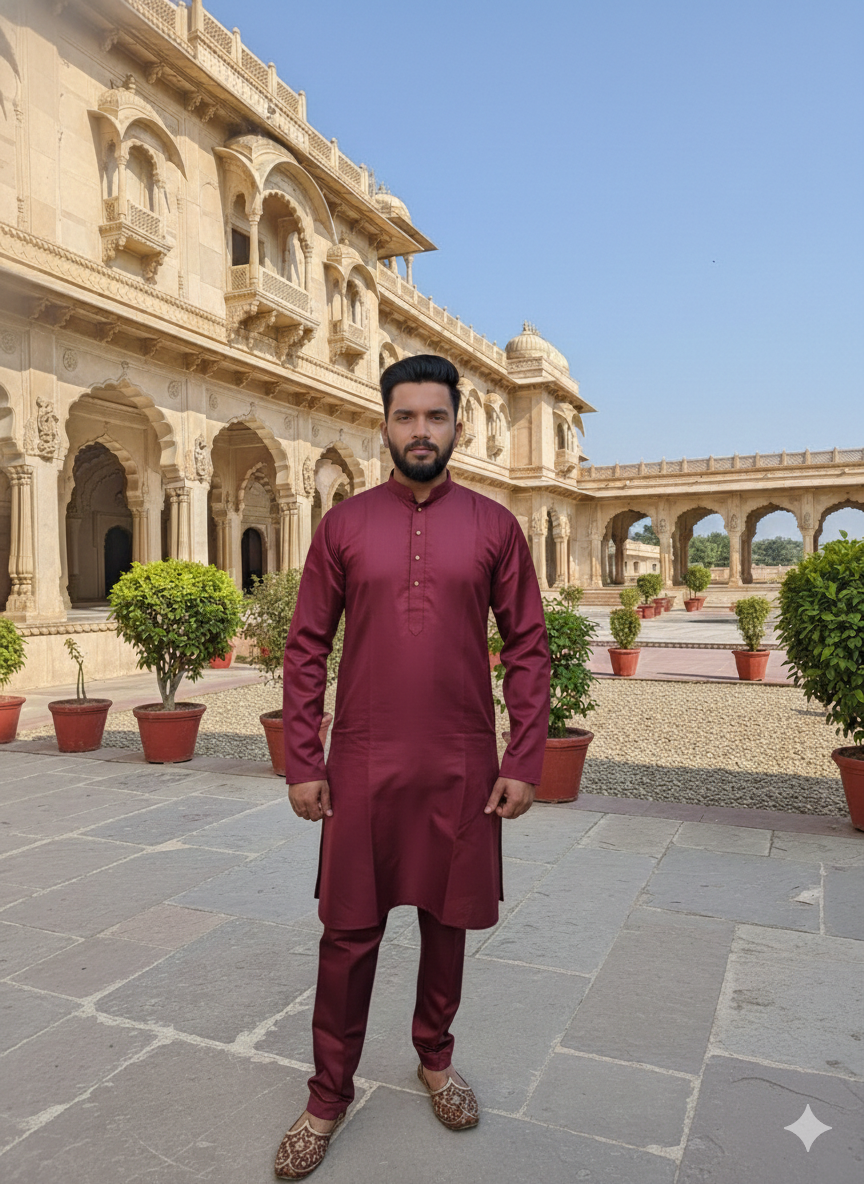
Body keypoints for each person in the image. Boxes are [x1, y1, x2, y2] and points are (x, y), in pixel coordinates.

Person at [274, 354, 551, 1179]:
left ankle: (435, 1057)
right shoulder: (346, 525)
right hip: (362, 763)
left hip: (463, 762)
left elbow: (529, 648)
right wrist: (303, 758)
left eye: (436, 416)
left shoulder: (496, 526)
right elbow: (306, 647)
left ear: (457, 424)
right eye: (406, 417)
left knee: (447, 921)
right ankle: (329, 1095)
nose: (421, 431)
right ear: (384, 425)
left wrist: (524, 757)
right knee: (348, 934)